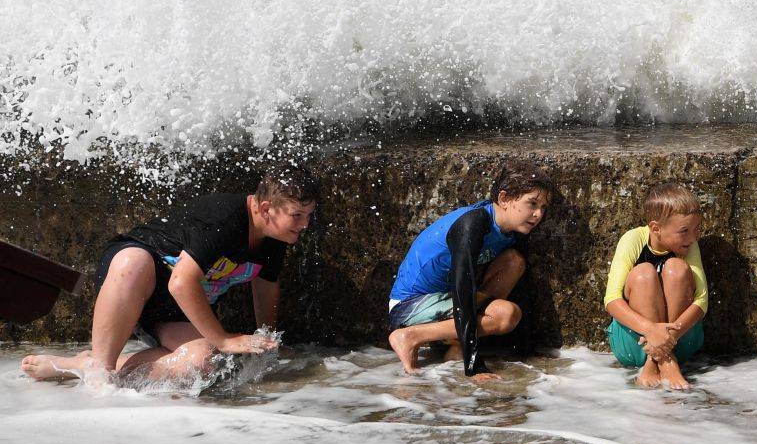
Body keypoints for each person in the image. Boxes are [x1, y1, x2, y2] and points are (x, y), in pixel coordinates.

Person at [21, 171, 320, 385]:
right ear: (266, 208)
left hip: (172, 312)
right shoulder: (226, 218)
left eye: (309, 215)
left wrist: (266, 339)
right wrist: (224, 338)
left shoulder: (275, 240)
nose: (305, 224)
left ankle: (86, 366)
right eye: (297, 215)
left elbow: (265, 287)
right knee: (133, 261)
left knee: (203, 362)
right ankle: (101, 369)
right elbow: (180, 282)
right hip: (134, 282)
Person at [387, 172, 552, 378]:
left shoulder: (511, 231)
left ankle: (455, 345)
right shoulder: (472, 224)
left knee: (514, 262)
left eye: (543, 207)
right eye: (532, 204)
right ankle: (410, 336)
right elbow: (462, 288)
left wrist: (528, 352)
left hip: (445, 302)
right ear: (504, 199)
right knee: (505, 314)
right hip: (408, 307)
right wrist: (474, 366)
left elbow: (522, 290)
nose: (538, 214)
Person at [603, 181, 709, 390]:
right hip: (634, 345)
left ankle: (658, 361)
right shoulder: (633, 239)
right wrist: (651, 331)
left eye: (696, 229)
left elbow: (702, 301)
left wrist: (665, 341)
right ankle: (666, 362)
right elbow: (611, 300)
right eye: (684, 230)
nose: (693, 237)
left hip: (680, 341)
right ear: (655, 228)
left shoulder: (690, 245)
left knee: (676, 268)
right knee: (643, 273)